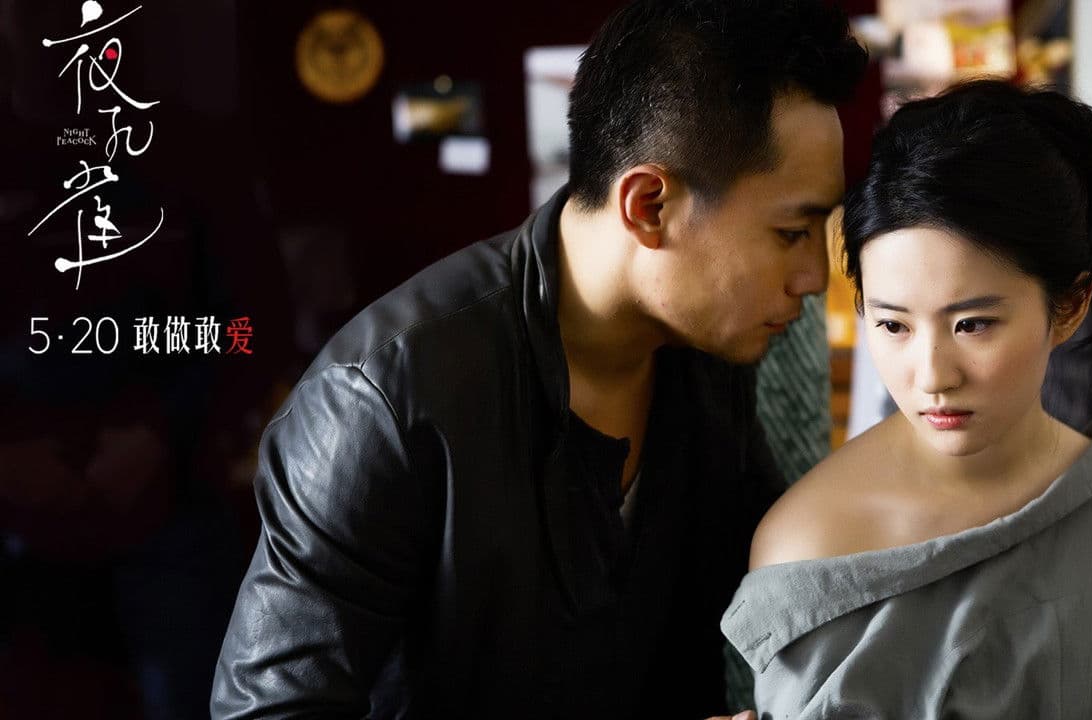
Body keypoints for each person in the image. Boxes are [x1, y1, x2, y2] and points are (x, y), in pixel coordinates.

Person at [210, 1, 866, 717]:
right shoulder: (385, 398)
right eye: (791, 232)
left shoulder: (711, 354)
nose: (814, 276)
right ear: (648, 205)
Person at [723, 81, 1092, 719]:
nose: (932, 375)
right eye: (892, 325)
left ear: (1070, 305)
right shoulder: (810, 544)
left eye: (972, 324)